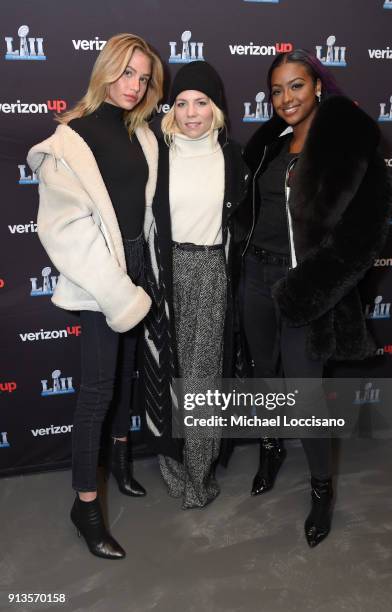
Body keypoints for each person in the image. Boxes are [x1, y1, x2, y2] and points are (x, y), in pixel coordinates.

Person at [235, 49, 392, 546]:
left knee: (304, 396)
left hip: (303, 288)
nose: (286, 98)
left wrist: (309, 290)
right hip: (255, 277)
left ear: (317, 85)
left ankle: (322, 488)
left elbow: (365, 234)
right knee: (264, 375)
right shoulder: (268, 144)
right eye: (277, 90)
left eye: (296, 86)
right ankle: (270, 449)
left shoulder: (346, 142)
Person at [27, 33, 163, 559]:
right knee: (97, 392)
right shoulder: (69, 141)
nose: (134, 85)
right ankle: (85, 505)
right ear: (105, 70)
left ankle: (123, 462)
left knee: (128, 373)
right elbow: (65, 232)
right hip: (101, 277)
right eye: (126, 72)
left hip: (140, 265)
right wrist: (117, 290)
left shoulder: (142, 134)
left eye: (143, 77)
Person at [144, 61, 249, 508]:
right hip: (165, 273)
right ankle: (173, 463)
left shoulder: (234, 158)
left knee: (203, 378)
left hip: (211, 273)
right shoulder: (155, 152)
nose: (191, 113)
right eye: (182, 102)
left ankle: (198, 472)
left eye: (201, 103)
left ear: (216, 109)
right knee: (169, 371)